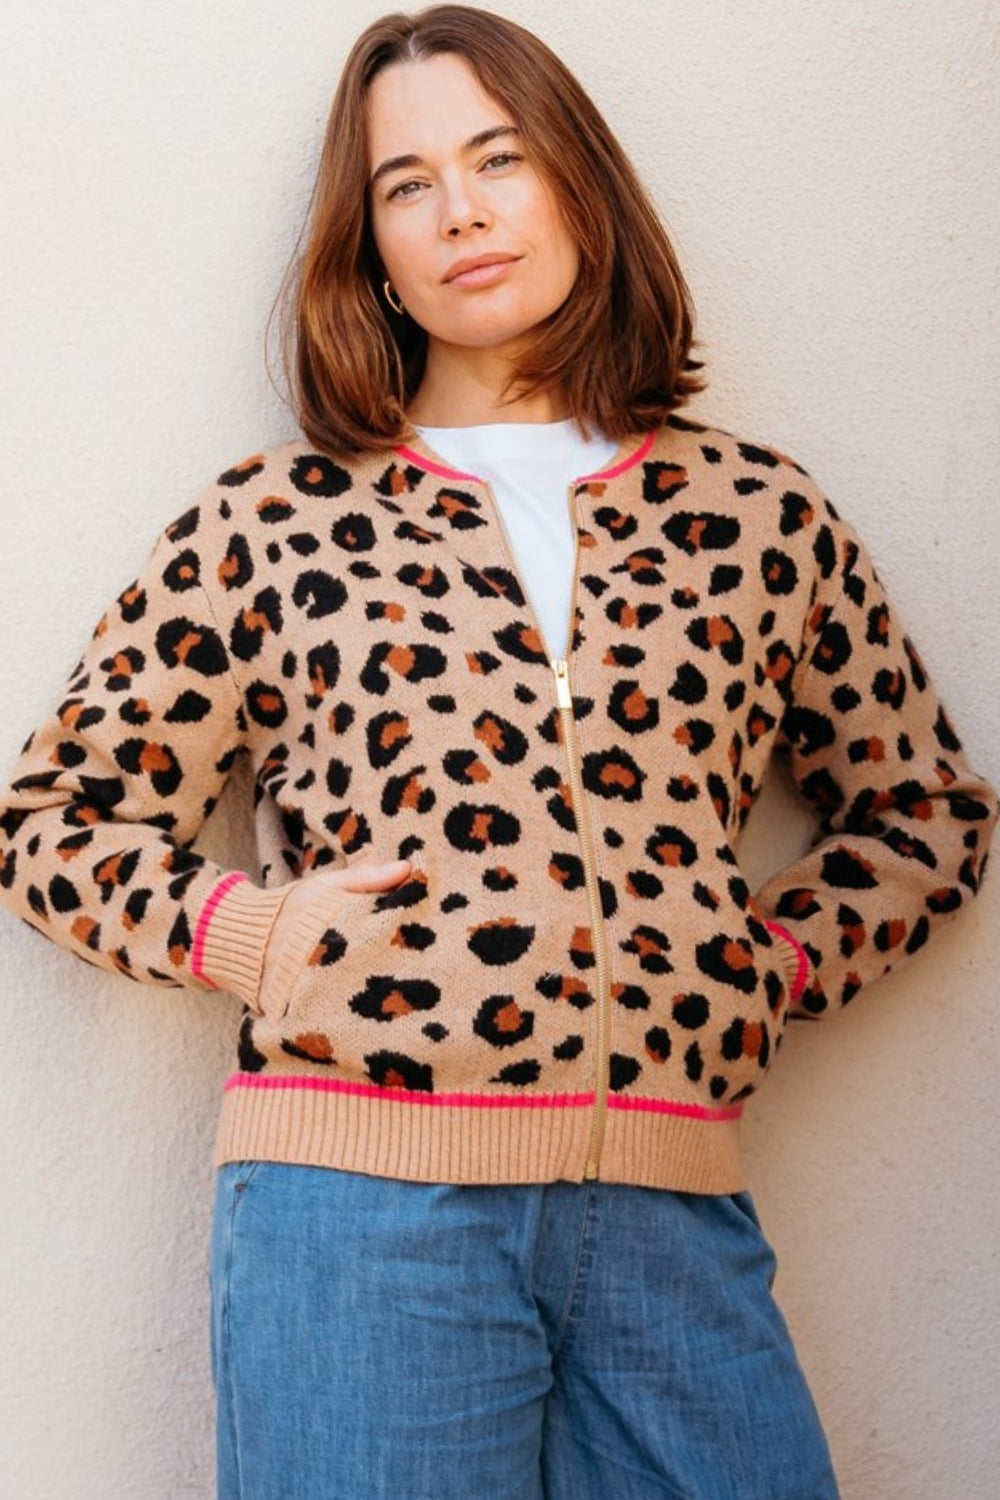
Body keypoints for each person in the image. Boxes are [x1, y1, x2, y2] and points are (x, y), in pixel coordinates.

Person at [0, 5, 994, 1497]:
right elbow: (51, 821)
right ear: (373, 248)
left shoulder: (759, 515)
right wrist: (257, 936)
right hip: (360, 1217)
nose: (460, 210)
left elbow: (928, 815)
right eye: (406, 185)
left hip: (671, 1214)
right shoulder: (275, 517)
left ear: (580, 186)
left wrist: (759, 965)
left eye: (500, 157)